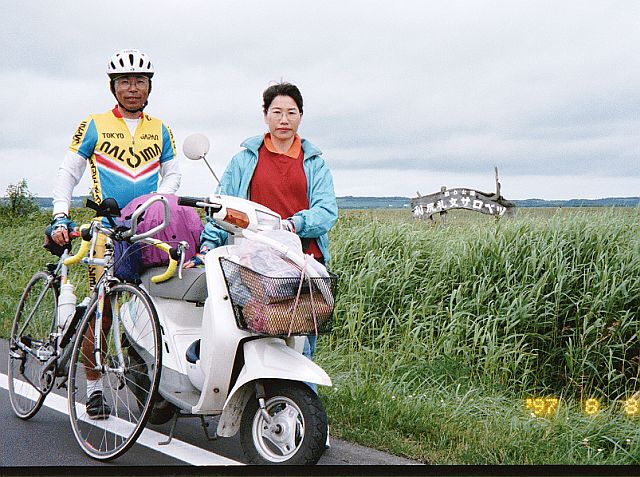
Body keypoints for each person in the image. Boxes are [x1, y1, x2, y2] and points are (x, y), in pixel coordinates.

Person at [49, 48, 181, 419]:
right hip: (105, 230)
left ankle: (150, 385)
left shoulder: (161, 129)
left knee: (151, 309)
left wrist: (157, 201)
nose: (133, 88)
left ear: (149, 87)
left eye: (139, 81)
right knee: (102, 311)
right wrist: (60, 215)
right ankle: (94, 390)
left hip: (144, 230)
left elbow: (172, 173)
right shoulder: (93, 124)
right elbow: (69, 172)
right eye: (125, 81)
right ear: (113, 87)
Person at [185, 82, 338, 360]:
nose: (284, 120)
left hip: (303, 263)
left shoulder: (314, 162)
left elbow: (326, 211)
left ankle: (302, 388)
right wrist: (206, 248)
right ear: (265, 114)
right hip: (252, 263)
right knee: (251, 334)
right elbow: (222, 206)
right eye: (276, 112)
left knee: (301, 344)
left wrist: (292, 225)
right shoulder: (244, 160)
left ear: (301, 116)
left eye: (291, 112)